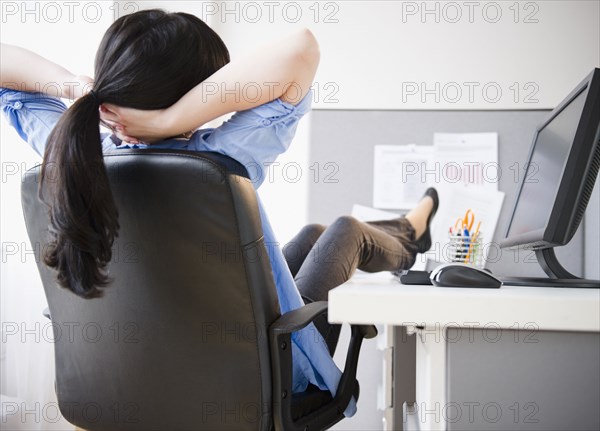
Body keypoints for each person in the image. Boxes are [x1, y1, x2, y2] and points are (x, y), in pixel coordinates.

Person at [0, 9, 437, 416]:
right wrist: (171, 121)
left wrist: (77, 89)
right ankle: (412, 235)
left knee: (311, 235)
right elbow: (301, 47)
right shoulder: (220, 159)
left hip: (127, 377)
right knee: (345, 231)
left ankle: (407, 228)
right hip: (262, 376)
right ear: (198, 94)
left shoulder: (74, 150)